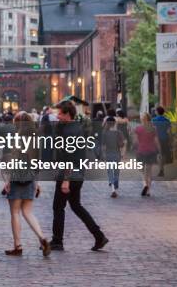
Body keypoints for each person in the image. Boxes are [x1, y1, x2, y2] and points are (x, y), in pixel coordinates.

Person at [51, 101, 108, 252]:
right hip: (78, 174)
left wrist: (65, 181)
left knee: (58, 207)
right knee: (76, 206)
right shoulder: (75, 128)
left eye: (61, 114)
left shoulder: (69, 131)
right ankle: (99, 235)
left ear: (68, 114)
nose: (58, 116)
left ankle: (57, 241)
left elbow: (69, 158)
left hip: (69, 175)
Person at [3, 113, 51, 257]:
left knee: (15, 212)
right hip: (30, 177)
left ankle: (18, 246)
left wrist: (8, 180)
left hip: (17, 177)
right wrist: (36, 182)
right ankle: (42, 237)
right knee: (28, 212)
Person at [133, 113, 160, 197]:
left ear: (142, 119)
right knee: (149, 171)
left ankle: (145, 184)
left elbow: (135, 141)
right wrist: (160, 151)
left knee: (141, 169)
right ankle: (148, 191)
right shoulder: (153, 129)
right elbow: (156, 141)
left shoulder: (138, 129)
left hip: (141, 151)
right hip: (151, 151)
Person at [100, 116, 125, 198]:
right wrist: (122, 154)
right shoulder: (119, 132)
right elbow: (122, 145)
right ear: (115, 123)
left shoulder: (104, 133)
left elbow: (103, 146)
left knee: (110, 171)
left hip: (108, 154)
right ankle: (115, 183)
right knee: (116, 171)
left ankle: (113, 189)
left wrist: (103, 155)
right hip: (117, 154)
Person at [152, 106, 172, 177]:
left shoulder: (153, 120)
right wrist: (170, 140)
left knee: (158, 154)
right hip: (165, 139)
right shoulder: (167, 120)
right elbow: (169, 131)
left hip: (156, 139)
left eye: (155, 111)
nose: (155, 112)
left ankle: (161, 169)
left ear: (157, 112)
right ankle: (162, 169)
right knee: (164, 154)